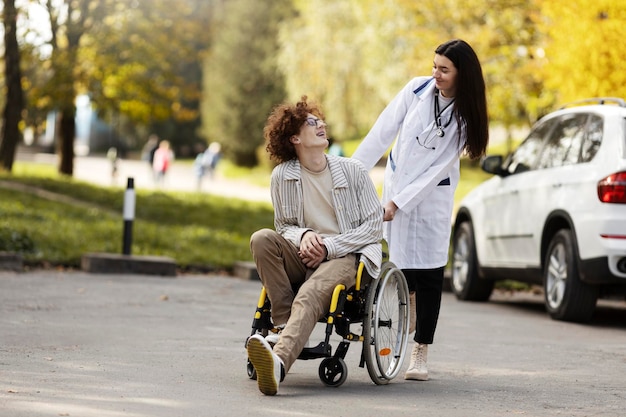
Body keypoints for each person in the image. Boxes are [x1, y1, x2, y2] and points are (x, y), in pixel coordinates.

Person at [352, 39, 489, 382]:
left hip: (429, 199)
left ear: (462, 74)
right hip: (397, 188)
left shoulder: (465, 117)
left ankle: (420, 350)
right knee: (402, 268)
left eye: (444, 69)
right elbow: (382, 131)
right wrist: (351, 173)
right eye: (435, 66)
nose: (436, 74)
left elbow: (436, 170)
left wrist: (397, 203)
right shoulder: (416, 90)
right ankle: (407, 308)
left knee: (429, 275)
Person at [246, 96, 384, 396]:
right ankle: (284, 328)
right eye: (312, 123)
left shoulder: (353, 171)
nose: (322, 124)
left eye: (320, 121)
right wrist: (305, 234)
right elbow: (284, 226)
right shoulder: (283, 176)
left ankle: (279, 362)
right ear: (295, 138)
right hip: (302, 254)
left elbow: (374, 227)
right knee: (261, 238)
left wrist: (329, 246)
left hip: (346, 257)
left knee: (309, 294)